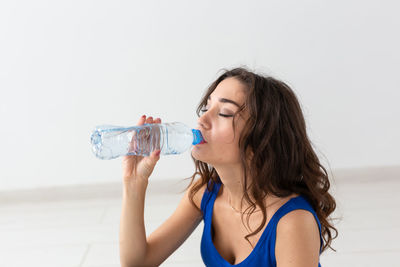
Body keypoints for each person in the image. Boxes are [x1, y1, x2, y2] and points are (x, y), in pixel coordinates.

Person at [119, 67, 338, 267]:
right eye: (206, 107)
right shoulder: (205, 193)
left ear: (261, 140)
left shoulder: (292, 221)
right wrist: (134, 183)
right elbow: (138, 263)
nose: (202, 120)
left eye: (223, 113)